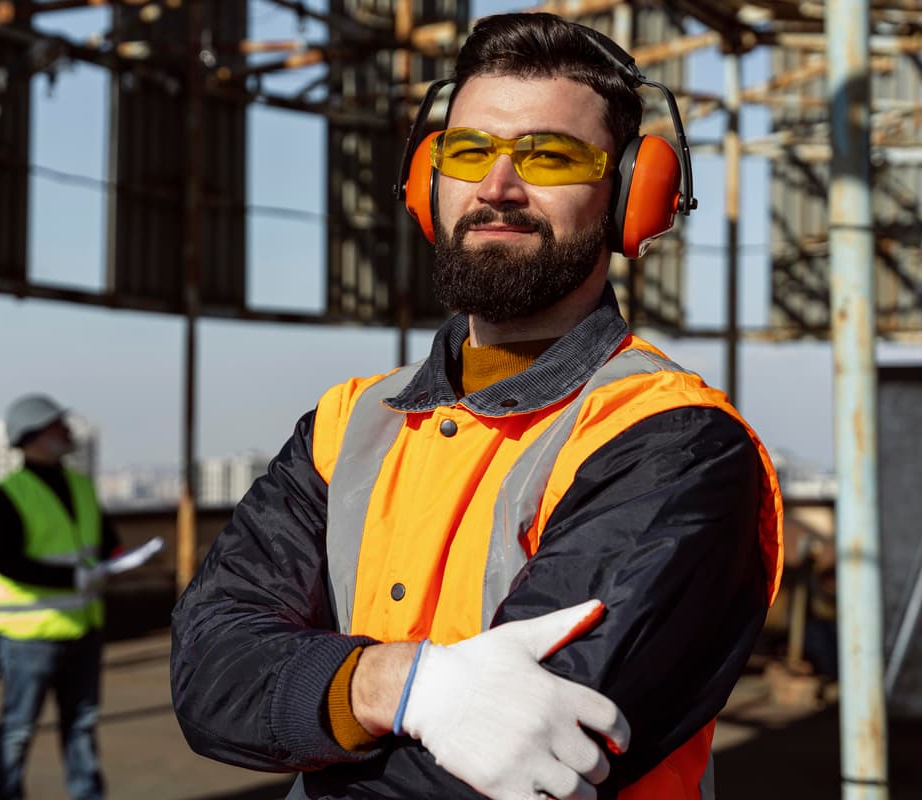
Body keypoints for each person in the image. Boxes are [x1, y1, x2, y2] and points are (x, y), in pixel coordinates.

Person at [170, 12, 783, 800]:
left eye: (551, 156)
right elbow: (208, 670)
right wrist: (393, 684)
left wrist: (315, 698)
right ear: (430, 182)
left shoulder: (674, 443)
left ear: (633, 193)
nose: (498, 188)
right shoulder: (348, 423)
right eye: (468, 153)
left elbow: (526, 759)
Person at [0, 394, 118, 800]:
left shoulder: (81, 486)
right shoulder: (4, 497)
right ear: (30, 437)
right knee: (18, 729)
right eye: (56, 425)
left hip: (83, 627)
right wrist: (77, 577)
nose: (67, 431)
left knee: (82, 724)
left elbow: (107, 540)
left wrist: (113, 561)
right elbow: (9, 564)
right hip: (29, 636)